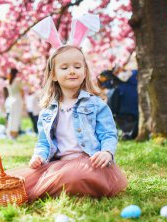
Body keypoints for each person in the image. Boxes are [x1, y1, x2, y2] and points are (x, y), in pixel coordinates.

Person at [8, 44, 127, 201]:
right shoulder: (47, 112)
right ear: (54, 75)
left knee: (75, 176)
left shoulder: (96, 104)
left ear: (84, 72)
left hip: (90, 163)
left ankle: (66, 186)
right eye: (64, 68)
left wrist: (106, 152)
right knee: (21, 181)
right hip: (60, 164)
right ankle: (58, 186)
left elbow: (108, 134)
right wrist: (39, 157)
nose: (72, 71)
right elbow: (44, 143)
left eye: (77, 66)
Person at [6, 68, 24, 139]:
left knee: (11, 117)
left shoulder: (9, 81)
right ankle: (14, 134)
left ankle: (10, 132)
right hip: (17, 100)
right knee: (16, 117)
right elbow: (21, 91)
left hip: (10, 100)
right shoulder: (17, 80)